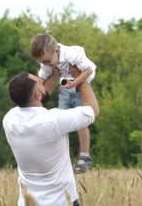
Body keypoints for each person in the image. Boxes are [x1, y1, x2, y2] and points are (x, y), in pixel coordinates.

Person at [2, 65, 99, 206]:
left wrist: (54, 76)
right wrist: (81, 78)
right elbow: (93, 110)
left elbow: (36, 99)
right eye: (39, 80)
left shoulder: (9, 119)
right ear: (38, 93)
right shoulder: (53, 120)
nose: (42, 79)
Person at [30, 33, 97, 174]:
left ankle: (84, 155)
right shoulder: (47, 62)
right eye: (42, 62)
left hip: (81, 86)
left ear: (57, 51)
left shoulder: (74, 53)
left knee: (81, 121)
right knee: (60, 122)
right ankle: (59, 156)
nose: (46, 64)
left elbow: (88, 70)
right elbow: (43, 77)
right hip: (66, 88)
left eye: (47, 61)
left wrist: (76, 82)